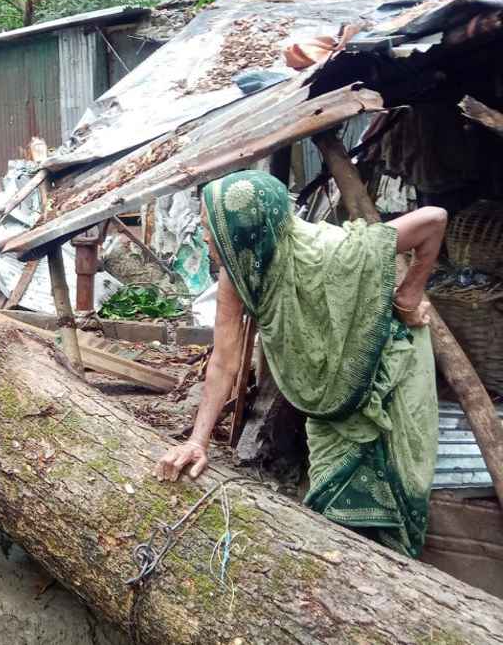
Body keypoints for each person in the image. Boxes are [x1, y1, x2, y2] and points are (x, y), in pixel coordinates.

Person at [156, 170, 447, 558]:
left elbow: (435, 219)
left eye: (214, 228)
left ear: (250, 231)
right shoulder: (240, 274)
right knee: (331, 493)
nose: (207, 238)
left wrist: (409, 296)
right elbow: (224, 360)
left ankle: (402, 571)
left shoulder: (336, 250)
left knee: (398, 477)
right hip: (328, 399)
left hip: (389, 372)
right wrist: (197, 440)